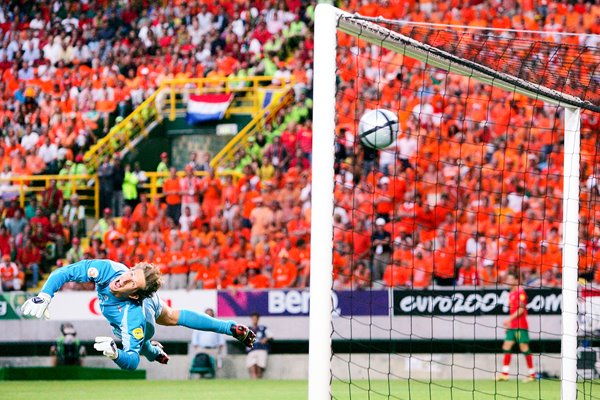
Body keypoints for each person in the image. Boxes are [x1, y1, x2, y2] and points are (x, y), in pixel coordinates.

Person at [21, 259, 256, 371]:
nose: (124, 279)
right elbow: (65, 272)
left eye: (132, 282)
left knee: (141, 340)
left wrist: (116, 353)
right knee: (173, 315)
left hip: (146, 317)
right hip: (151, 302)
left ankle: (154, 351)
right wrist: (45, 295)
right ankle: (230, 328)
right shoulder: (108, 269)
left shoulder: (133, 314)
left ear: (134, 294)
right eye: (131, 273)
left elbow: (132, 362)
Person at [497, 272, 536, 382]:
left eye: (510, 279)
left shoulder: (520, 292)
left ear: (515, 280)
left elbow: (521, 309)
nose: (508, 281)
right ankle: (505, 374)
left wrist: (508, 320)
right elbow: (513, 311)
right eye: (507, 279)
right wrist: (509, 324)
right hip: (513, 326)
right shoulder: (511, 293)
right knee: (506, 346)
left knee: (524, 347)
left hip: (520, 325)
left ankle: (532, 374)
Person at [190, 308, 226, 376]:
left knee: (216, 364)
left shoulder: (217, 326)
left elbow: (221, 341)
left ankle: (215, 377)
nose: (209, 316)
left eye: (210, 314)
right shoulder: (198, 325)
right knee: (200, 363)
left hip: (214, 350)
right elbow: (194, 340)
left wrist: (218, 351)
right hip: (201, 349)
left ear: (213, 316)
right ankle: (201, 377)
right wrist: (198, 349)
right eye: (207, 314)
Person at [246, 312, 272, 379]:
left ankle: (259, 379)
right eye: (253, 318)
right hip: (252, 350)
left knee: (260, 366)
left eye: (256, 318)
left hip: (261, 349)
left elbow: (271, 336)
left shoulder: (263, 328)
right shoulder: (248, 329)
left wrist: (265, 339)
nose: (254, 320)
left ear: (258, 319)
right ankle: (253, 379)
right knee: (252, 365)